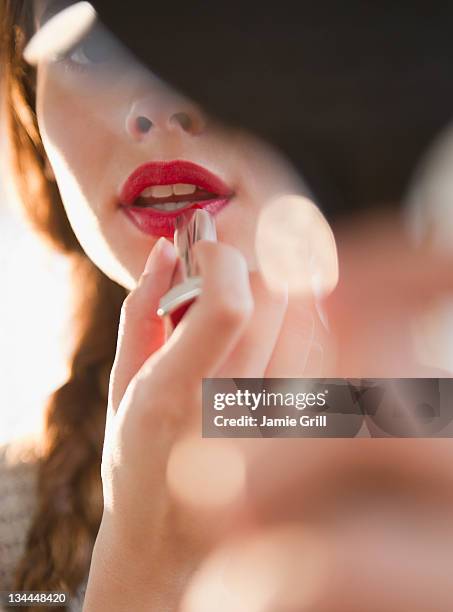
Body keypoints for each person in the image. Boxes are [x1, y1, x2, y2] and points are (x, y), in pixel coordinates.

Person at [0, 1, 334, 610]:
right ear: (29, 110)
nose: (152, 108)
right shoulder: (10, 532)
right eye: (87, 45)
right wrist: (140, 576)